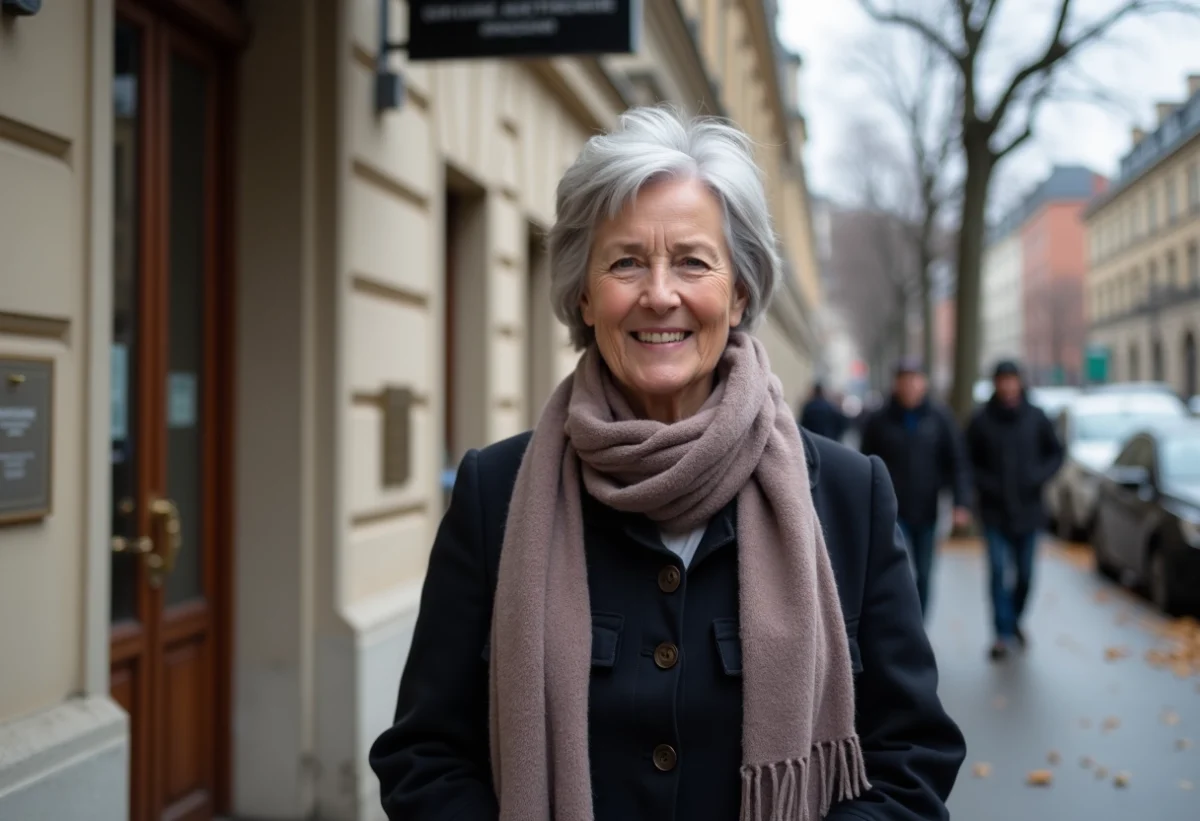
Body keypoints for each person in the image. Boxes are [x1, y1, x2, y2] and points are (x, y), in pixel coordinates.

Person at [369, 107, 965, 821]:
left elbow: (912, 758)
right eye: (625, 261)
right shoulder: (495, 495)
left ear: (739, 291)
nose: (659, 293)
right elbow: (424, 755)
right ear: (584, 295)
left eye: (691, 260)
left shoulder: (845, 494)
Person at [859, 359, 973, 617]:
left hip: (928, 509)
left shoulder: (940, 419)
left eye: (915, 379)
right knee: (894, 572)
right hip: (891, 511)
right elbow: (864, 464)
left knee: (925, 571)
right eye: (904, 379)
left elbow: (957, 462)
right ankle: (898, 624)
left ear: (925, 383)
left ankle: (918, 625)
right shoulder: (879, 420)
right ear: (896, 383)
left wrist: (961, 503)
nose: (910, 385)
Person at [966, 360, 1064, 661]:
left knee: (1025, 576)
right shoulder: (981, 420)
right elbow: (967, 460)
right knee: (997, 572)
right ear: (995, 384)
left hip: (1029, 510)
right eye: (1002, 380)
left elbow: (1057, 453)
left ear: (1020, 383)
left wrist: (1038, 476)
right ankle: (1001, 635)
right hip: (995, 511)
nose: (1008, 386)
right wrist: (984, 485)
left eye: (1013, 380)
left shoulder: (1036, 417)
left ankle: (1014, 619)